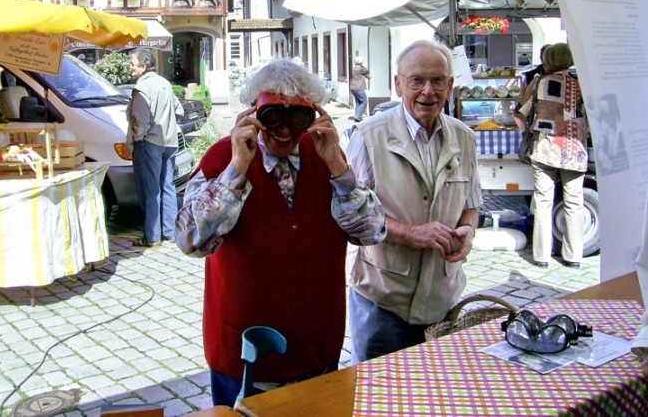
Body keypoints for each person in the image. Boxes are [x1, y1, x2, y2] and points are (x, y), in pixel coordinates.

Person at [175, 59, 385, 407]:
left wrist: (338, 168)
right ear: (253, 113)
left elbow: (373, 232)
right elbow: (190, 241)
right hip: (244, 352)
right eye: (273, 116)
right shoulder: (221, 159)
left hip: (317, 347)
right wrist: (236, 168)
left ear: (315, 116)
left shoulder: (326, 158)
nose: (285, 130)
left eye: (298, 118)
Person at [345, 40, 482, 363]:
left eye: (437, 81)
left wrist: (468, 232)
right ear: (398, 84)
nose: (427, 91)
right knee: (376, 402)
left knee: (432, 399)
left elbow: (472, 205)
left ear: (450, 85)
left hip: (441, 298)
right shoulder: (368, 136)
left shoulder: (465, 137)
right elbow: (350, 217)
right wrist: (410, 233)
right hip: (382, 300)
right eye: (416, 80)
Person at [518, 43, 588, 268]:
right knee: (574, 203)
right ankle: (573, 256)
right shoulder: (581, 85)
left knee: (543, 202)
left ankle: (541, 256)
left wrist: (527, 131)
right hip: (574, 148)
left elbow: (521, 112)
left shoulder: (540, 83)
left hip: (546, 147)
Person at [126, 49, 183, 247]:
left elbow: (140, 120)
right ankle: (170, 232)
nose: (131, 67)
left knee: (151, 189)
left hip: (150, 142)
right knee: (168, 186)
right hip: (170, 140)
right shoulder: (165, 83)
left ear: (143, 66)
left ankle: (152, 237)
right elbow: (179, 109)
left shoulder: (142, 87)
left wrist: (136, 140)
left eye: (133, 63)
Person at [349, 56, 370, 122]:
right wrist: (362, 65)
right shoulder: (361, 68)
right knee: (364, 101)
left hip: (353, 87)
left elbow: (364, 74)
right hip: (359, 87)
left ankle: (356, 115)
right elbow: (367, 70)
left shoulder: (354, 68)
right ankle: (358, 116)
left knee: (358, 102)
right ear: (360, 62)